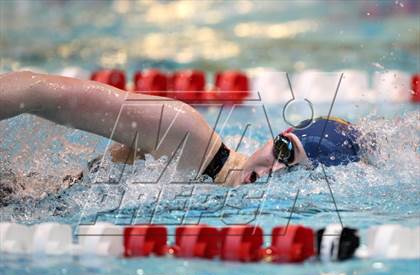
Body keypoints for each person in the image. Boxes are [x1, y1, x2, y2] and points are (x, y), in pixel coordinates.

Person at [0, 71, 364, 187]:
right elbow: (40, 92)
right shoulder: (183, 133)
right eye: (283, 151)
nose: (274, 170)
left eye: (297, 171)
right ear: (276, 136)